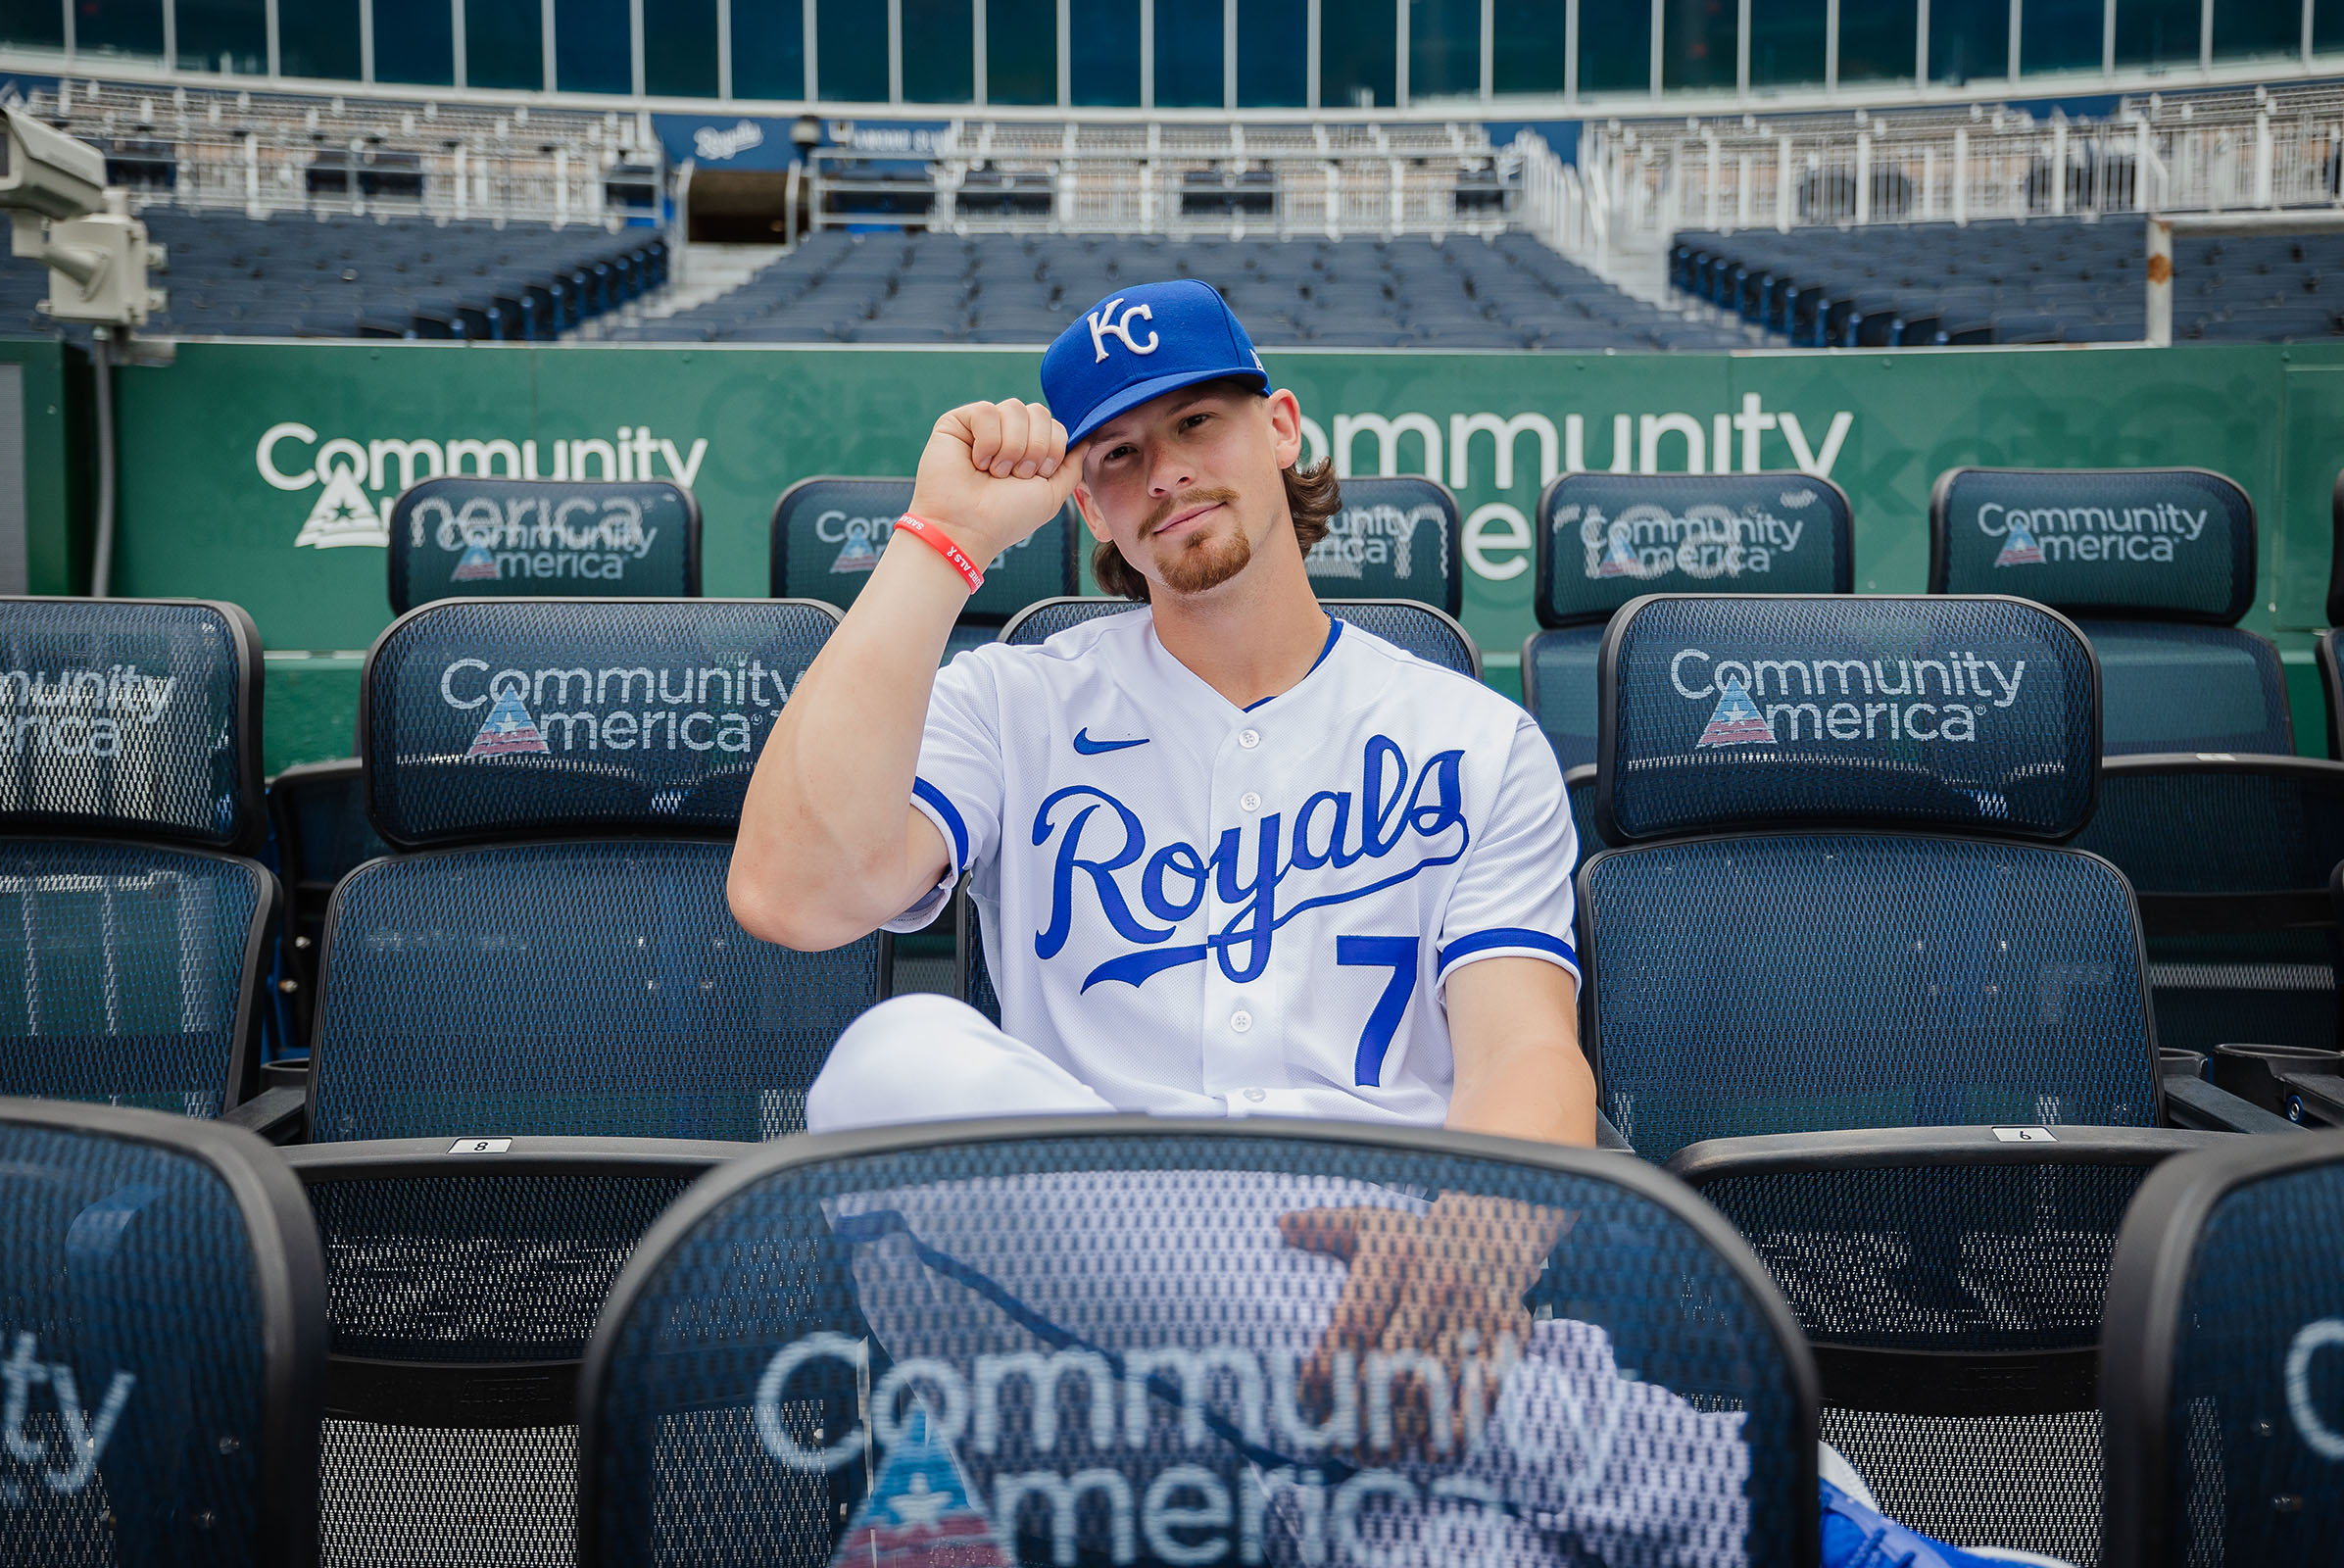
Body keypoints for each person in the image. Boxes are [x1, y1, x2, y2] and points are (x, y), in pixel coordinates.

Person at [729, 280, 2070, 1568]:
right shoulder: (1011, 704)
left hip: (1400, 1318)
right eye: (1121, 455)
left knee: (1467, 1542)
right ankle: (1735, 1496)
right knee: (891, 1057)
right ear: (1092, 503)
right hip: (1075, 1311)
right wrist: (940, 543)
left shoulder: (1469, 739)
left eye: (1197, 424)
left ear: (1281, 428)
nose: (1168, 473)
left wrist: (1483, 1238)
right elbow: (790, 894)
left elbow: (1525, 1057)